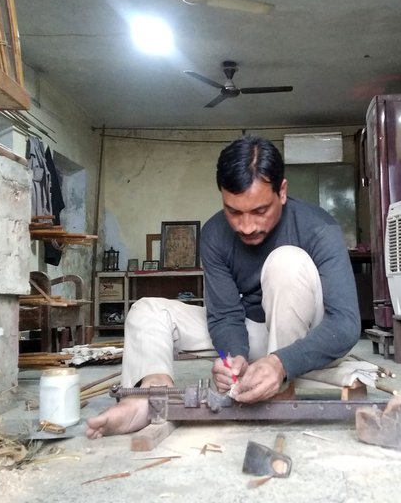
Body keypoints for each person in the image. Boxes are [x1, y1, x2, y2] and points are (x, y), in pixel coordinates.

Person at [86, 135, 361, 439]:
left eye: (259, 211)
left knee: (286, 261)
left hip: (308, 337)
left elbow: (346, 323)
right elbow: (225, 314)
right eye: (234, 211)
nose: (246, 226)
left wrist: (280, 363)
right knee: (146, 310)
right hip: (257, 334)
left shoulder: (319, 227)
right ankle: (150, 397)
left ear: (282, 192)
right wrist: (235, 357)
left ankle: (281, 387)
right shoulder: (215, 234)